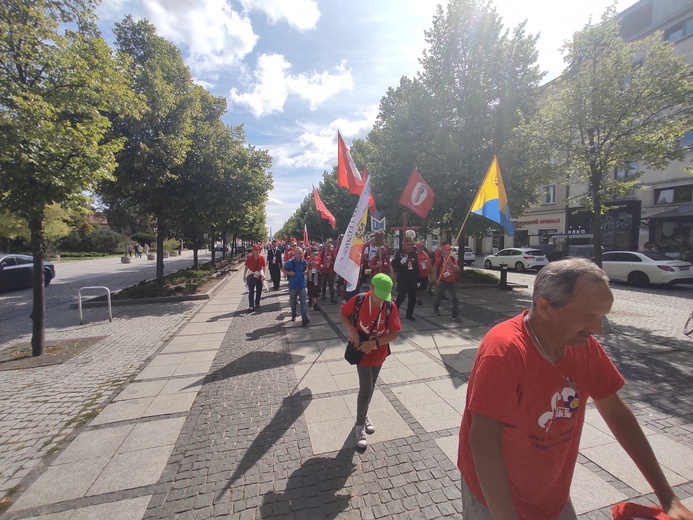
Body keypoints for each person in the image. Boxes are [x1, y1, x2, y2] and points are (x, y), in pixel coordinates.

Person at [457, 258, 693, 520]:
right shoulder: (505, 351)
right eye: (588, 317)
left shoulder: (582, 345)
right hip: (494, 496)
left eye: (601, 317)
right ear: (544, 306)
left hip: (551, 494)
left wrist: (667, 497)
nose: (598, 330)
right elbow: (483, 442)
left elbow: (616, 413)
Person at [338, 273, 402, 449]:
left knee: (371, 386)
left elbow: (395, 333)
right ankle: (360, 425)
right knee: (366, 388)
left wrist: (374, 344)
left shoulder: (390, 306)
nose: (381, 300)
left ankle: (363, 413)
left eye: (384, 296)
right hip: (361, 351)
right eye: (378, 295)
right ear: (371, 288)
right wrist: (351, 329)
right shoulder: (359, 300)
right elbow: (342, 313)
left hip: (378, 352)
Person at [393, 237, 419, 321]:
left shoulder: (414, 254)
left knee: (412, 298)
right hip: (403, 279)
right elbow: (394, 264)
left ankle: (409, 314)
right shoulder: (399, 253)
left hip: (412, 279)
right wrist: (400, 262)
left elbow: (416, 267)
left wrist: (418, 279)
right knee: (401, 296)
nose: (410, 246)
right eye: (408, 245)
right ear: (404, 245)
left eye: (411, 245)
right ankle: (394, 312)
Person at [282, 246, 309, 326]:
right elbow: (282, 269)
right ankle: (294, 314)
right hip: (293, 286)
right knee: (293, 302)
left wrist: (306, 271)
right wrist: (289, 273)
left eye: (302, 253)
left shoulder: (304, 262)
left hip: (302, 285)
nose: (301, 255)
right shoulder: (290, 262)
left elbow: (307, 268)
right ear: (295, 254)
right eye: (299, 253)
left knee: (303, 302)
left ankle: (304, 318)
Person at [432, 244, 460, 321]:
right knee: (439, 296)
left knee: (455, 298)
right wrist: (435, 279)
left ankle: (455, 315)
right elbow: (434, 269)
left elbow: (458, 269)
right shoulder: (439, 259)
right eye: (448, 249)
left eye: (450, 250)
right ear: (444, 251)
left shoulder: (453, 259)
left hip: (452, 281)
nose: (450, 251)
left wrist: (452, 265)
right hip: (443, 281)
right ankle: (436, 308)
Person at [243, 244, 266, 311]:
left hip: (258, 275)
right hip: (251, 275)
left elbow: (264, 267)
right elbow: (246, 266)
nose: (255, 252)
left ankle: (257, 303)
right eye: (254, 250)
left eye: (257, 250)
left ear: (259, 251)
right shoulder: (249, 257)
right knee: (251, 291)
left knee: (259, 290)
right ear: (252, 251)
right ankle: (251, 305)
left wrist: (264, 275)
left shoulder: (262, 258)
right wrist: (244, 275)